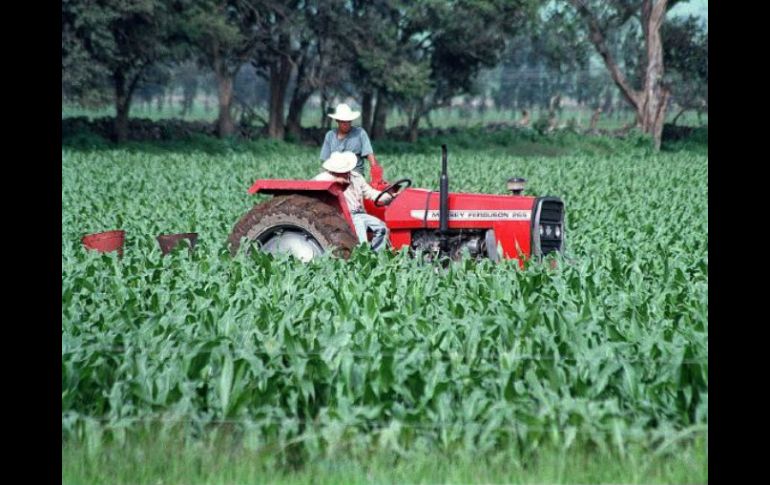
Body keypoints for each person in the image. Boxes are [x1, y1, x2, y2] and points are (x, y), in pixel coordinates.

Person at [313, 151, 392, 251]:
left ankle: (376, 254)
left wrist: (388, 197)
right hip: (342, 215)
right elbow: (313, 187)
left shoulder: (356, 177)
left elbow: (370, 193)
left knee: (382, 228)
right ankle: (362, 256)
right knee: (361, 239)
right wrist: (335, 181)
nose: (345, 173)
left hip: (359, 213)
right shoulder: (325, 178)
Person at [320, 103, 381, 177]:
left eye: (348, 121)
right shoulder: (330, 135)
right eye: (343, 121)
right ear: (337, 120)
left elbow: (369, 154)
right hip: (335, 174)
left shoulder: (360, 133)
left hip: (354, 173)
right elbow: (325, 160)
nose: (346, 124)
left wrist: (375, 171)